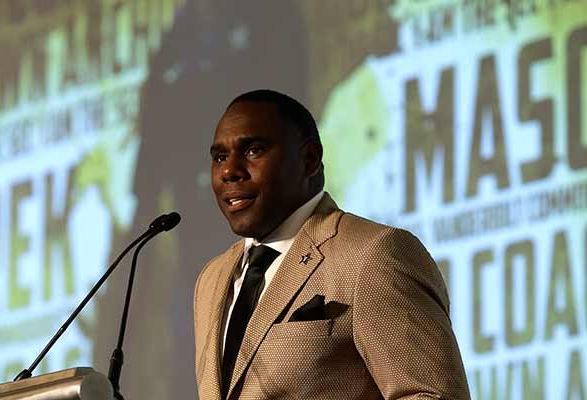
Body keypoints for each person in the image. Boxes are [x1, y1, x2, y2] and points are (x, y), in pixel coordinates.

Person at [193, 89, 470, 400]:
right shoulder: (212, 280)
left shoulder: (374, 254)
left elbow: (434, 395)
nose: (230, 171)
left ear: (310, 159)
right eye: (219, 157)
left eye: (254, 151)